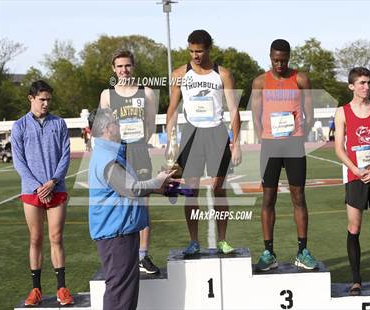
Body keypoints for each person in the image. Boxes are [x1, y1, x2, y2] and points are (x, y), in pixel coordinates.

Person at [166, 29, 241, 255]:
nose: (195, 55)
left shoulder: (223, 74)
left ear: (209, 49)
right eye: (191, 51)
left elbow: (234, 110)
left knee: (219, 189)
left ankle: (222, 240)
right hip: (192, 134)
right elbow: (172, 109)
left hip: (217, 133)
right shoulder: (179, 74)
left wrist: (235, 143)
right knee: (191, 190)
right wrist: (170, 141)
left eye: (199, 51)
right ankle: (193, 240)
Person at [88, 109, 173, 310]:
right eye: (116, 123)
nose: (120, 127)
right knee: (120, 296)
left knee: (122, 293)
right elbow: (132, 189)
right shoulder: (107, 158)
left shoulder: (108, 154)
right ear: (108, 129)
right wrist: (158, 180)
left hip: (119, 232)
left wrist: (158, 188)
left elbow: (126, 189)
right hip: (117, 235)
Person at [251, 39, 318, 271]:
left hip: (293, 145)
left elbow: (310, 113)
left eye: (283, 60)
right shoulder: (260, 81)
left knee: (298, 197)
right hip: (270, 146)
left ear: (289, 57)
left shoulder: (300, 79)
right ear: (270, 56)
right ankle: (268, 252)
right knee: (268, 199)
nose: (279, 64)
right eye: (275, 60)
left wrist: (299, 135)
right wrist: (264, 138)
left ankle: (303, 251)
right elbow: (255, 115)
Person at [11, 80, 73, 306]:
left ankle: (62, 289)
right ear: (31, 99)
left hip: (56, 189)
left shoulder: (59, 124)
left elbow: (65, 156)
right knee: (35, 239)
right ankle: (36, 290)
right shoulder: (19, 126)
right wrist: (38, 186)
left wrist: (53, 181)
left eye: (49, 100)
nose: (46, 103)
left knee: (56, 238)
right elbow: (19, 161)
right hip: (32, 191)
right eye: (42, 99)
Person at [100, 50, 159, 274]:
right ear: (113, 69)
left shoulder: (148, 93)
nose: (124, 70)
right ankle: (123, 255)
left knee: (143, 202)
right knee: (118, 202)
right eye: (119, 67)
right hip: (117, 153)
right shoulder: (107, 95)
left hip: (139, 151)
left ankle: (143, 255)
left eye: (127, 66)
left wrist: (139, 141)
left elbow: (151, 125)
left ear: (133, 67)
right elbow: (104, 127)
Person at [334, 67, 370, 296]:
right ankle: (356, 280)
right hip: (355, 176)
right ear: (351, 86)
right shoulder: (342, 112)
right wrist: (356, 169)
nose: (366, 87)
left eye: (368, 83)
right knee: (354, 227)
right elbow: (339, 149)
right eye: (361, 83)